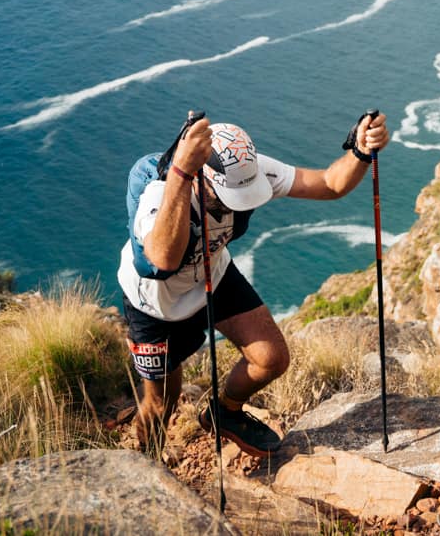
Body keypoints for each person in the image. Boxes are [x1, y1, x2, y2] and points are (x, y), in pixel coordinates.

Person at [118, 111, 391, 458]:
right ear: (200, 176)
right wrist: (181, 174)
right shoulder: (159, 195)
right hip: (155, 305)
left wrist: (360, 152)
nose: (238, 203)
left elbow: (329, 183)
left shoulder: (246, 172)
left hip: (213, 277)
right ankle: (147, 464)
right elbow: (163, 260)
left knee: (271, 359)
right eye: (227, 196)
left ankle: (224, 413)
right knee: (161, 404)